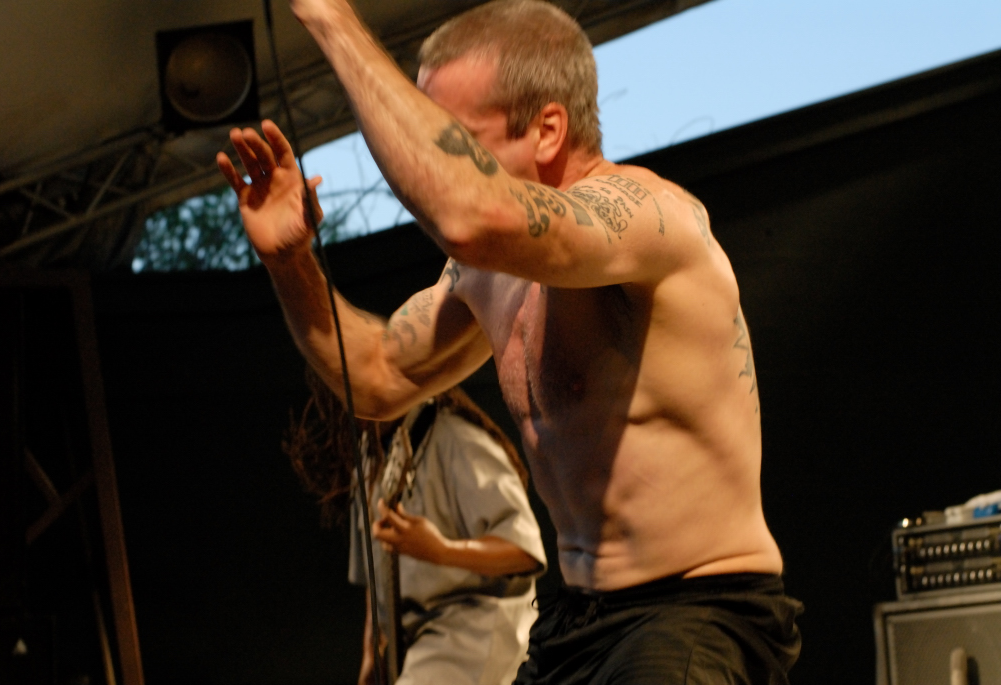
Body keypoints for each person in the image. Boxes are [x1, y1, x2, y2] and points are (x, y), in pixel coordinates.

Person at [217, 0, 803, 681]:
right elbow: (374, 376)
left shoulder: (647, 217)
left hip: (695, 610)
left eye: (454, 137)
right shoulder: (488, 273)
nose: (429, 152)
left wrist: (329, 16)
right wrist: (290, 262)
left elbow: (471, 215)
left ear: (548, 129)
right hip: (576, 619)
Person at [285, 370, 545, 685]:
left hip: (474, 626)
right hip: (420, 638)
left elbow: (524, 552)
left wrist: (441, 551)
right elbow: (374, 579)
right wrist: (371, 652)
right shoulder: (370, 458)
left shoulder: (457, 438)